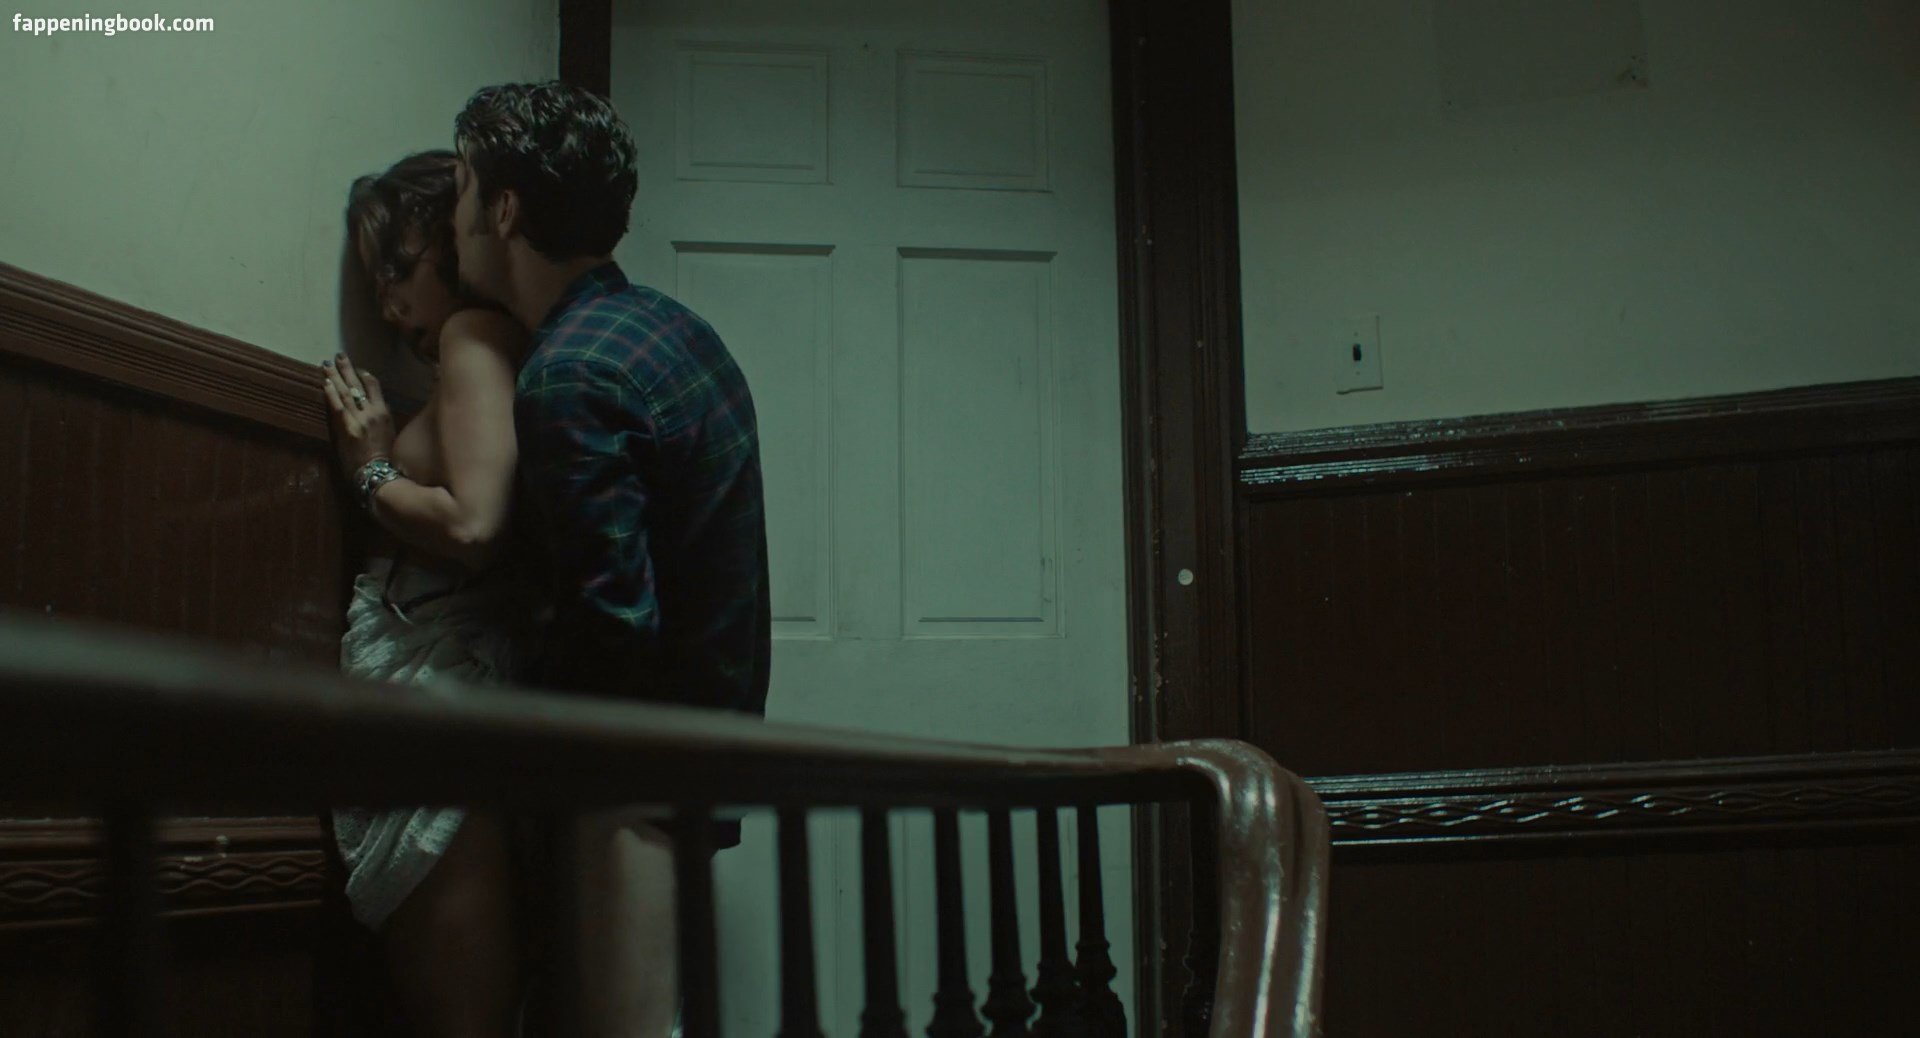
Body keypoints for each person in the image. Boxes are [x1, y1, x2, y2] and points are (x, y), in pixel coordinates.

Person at [448, 80, 773, 1036]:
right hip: (697, 758)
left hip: (628, 777)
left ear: (505, 209)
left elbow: (613, 629)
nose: (452, 215)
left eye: (462, 186)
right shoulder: (675, 330)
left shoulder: (569, 374)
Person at [322, 149, 533, 1038]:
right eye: (375, 281)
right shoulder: (470, 351)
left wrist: (371, 469)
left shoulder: (473, 337)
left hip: (445, 672)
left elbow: (476, 525)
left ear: (450, 243)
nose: (386, 305)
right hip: (433, 668)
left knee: (457, 1013)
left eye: (397, 271)